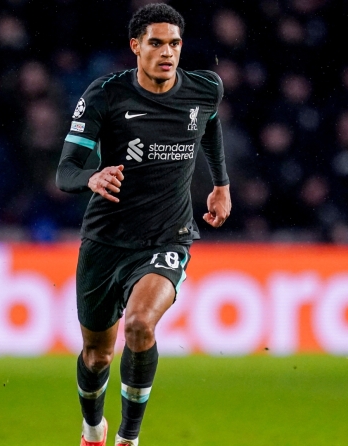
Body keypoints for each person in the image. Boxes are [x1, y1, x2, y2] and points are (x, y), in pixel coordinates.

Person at [55, 4, 231, 446]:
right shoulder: (105, 95)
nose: (167, 52)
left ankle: (128, 438)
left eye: (174, 43)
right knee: (96, 355)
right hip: (106, 240)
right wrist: (91, 177)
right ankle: (92, 429)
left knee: (138, 324)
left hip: (167, 237)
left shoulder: (205, 88)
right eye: (156, 43)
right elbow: (66, 171)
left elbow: (209, 124)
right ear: (136, 46)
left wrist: (221, 184)